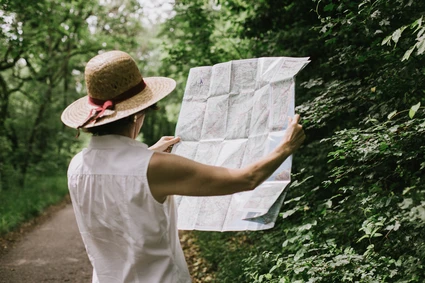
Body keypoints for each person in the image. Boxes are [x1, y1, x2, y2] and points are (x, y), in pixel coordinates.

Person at [61, 50, 305, 283]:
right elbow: (246, 179)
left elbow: (120, 172)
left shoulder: (77, 166)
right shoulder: (153, 168)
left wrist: (149, 153)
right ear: (136, 114)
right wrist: (285, 147)